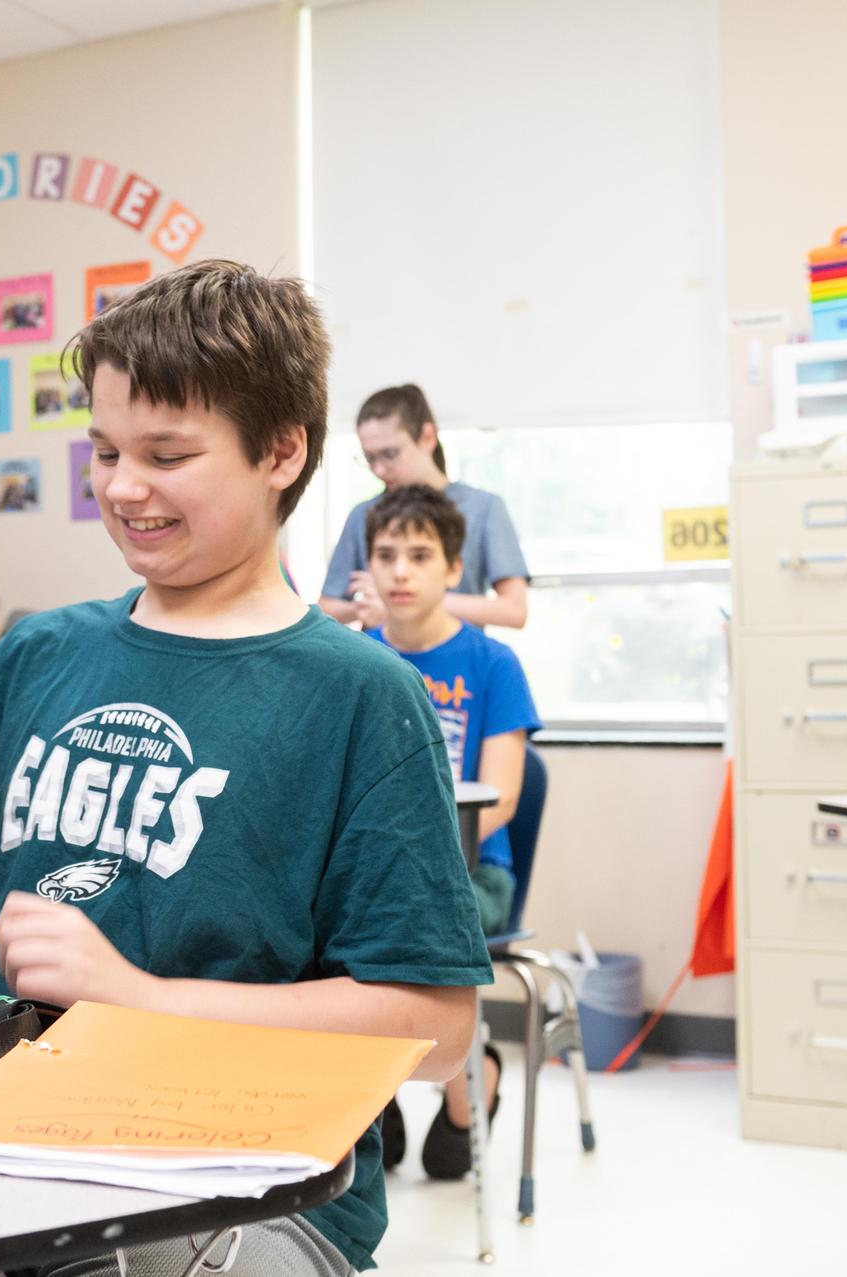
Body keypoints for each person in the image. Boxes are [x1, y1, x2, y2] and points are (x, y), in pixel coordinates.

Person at [0, 260, 488, 1276]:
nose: (120, 485)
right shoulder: (38, 653)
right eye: (105, 449)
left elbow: (437, 1027)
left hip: (234, 1190)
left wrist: (137, 994)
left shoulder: (359, 697)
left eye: (167, 453)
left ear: (281, 449)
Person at [360, 484, 542, 1182]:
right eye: (385, 554)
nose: (400, 571)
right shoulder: (351, 659)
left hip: (472, 873)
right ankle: (373, 1089)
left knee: (396, 920)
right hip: (374, 877)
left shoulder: (493, 666)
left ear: (453, 566)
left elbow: (497, 801)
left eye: (419, 554)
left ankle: (469, 1075)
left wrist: (408, 859)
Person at [319, 384, 529, 631]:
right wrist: (366, 605)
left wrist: (401, 599)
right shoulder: (364, 515)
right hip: (383, 661)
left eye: (389, 453)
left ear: (427, 437)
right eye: (370, 457)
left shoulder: (483, 508)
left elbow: (514, 610)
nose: (379, 470)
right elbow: (327, 608)